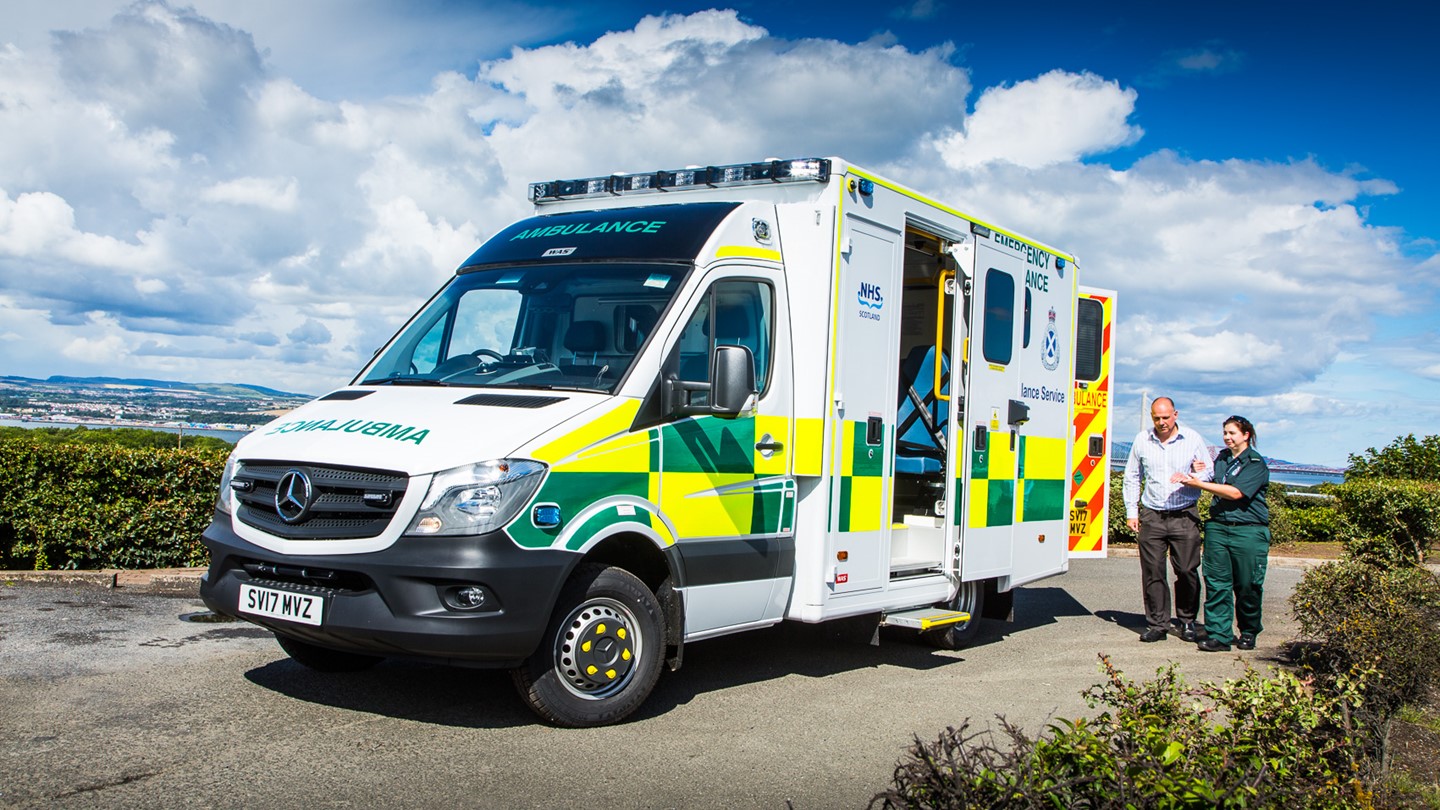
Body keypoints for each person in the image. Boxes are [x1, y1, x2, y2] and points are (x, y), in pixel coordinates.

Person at [1174, 415, 1271, 652]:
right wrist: (1195, 471)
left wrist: (1199, 485)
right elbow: (1209, 475)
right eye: (1225, 433)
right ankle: (1219, 634)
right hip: (1219, 527)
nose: (1227, 437)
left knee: (1248, 585)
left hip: (1248, 530)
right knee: (1217, 583)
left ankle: (1248, 630)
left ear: (1246, 435)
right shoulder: (1223, 458)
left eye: (1232, 433)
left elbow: (1236, 493)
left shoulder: (1256, 463)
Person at [1122, 397, 1213, 643]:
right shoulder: (1142, 440)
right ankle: (1157, 624)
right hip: (1152, 515)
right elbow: (1132, 475)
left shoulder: (1192, 438)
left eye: (1165, 417)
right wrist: (1132, 511)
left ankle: (1187, 621)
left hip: (1184, 513)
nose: (1161, 423)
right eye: (1156, 418)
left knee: (1186, 570)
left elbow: (1209, 471)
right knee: (1152, 572)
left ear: (1175, 415)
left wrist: (1194, 475)